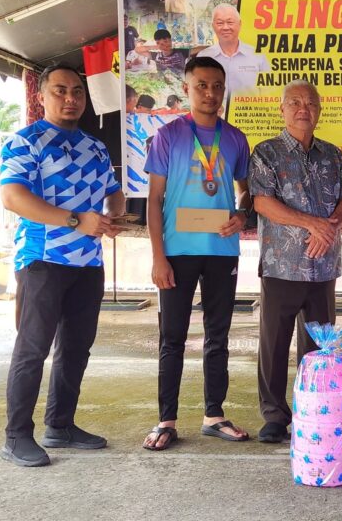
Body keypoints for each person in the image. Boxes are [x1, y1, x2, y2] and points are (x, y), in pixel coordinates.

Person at [0, 64, 126, 467]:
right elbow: (13, 197)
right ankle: (16, 436)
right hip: (43, 260)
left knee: (75, 348)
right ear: (41, 96)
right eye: (60, 91)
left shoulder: (96, 146)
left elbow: (113, 191)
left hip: (88, 262)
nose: (70, 98)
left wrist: (113, 215)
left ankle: (60, 425)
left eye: (77, 92)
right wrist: (75, 220)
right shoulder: (25, 142)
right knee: (33, 349)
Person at [142, 56, 252, 450]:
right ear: (186, 88)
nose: (210, 93)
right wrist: (158, 257)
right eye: (202, 85)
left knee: (217, 336)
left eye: (217, 86)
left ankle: (214, 415)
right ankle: (166, 420)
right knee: (172, 337)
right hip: (177, 252)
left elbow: (245, 190)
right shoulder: (168, 136)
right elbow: (154, 200)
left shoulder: (236, 138)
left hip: (221, 250)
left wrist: (242, 214)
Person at [248, 79, 342, 443]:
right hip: (282, 264)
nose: (303, 108)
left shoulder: (333, 154)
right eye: (295, 102)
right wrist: (313, 224)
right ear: (282, 109)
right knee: (274, 344)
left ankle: (315, 407)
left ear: (319, 110)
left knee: (319, 344)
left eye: (310, 103)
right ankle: (275, 416)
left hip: (323, 266)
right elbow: (262, 202)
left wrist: (329, 228)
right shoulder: (266, 152)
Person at [198, 4, 270, 99]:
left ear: (240, 24)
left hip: (249, 108)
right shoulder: (203, 57)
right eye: (220, 23)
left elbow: (268, 93)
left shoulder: (257, 55)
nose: (225, 27)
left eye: (230, 22)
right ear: (213, 26)